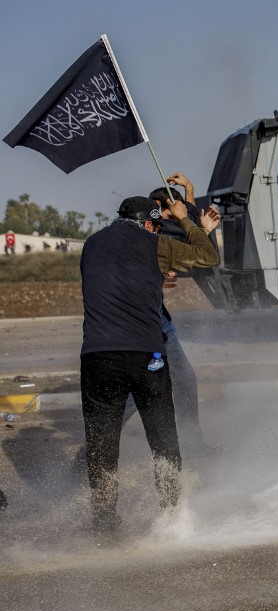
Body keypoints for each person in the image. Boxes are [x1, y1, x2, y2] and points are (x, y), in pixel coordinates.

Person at [80, 196, 220, 532]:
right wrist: (189, 223)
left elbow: (116, 280)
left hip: (97, 355)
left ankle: (104, 520)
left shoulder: (91, 244)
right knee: (163, 437)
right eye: (155, 226)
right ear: (148, 223)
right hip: (146, 354)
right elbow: (207, 256)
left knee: (102, 442)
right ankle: (172, 514)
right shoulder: (156, 243)